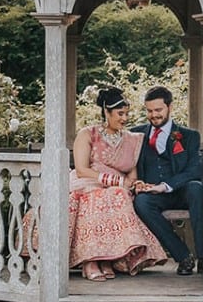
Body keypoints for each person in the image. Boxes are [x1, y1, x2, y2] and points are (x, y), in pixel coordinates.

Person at [67, 88, 170, 281]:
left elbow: (132, 174)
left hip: (118, 189)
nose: (125, 118)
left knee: (118, 194)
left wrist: (137, 184)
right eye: (120, 114)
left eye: (127, 114)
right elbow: (82, 170)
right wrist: (116, 181)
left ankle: (108, 258)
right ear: (106, 112)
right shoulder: (88, 134)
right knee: (100, 196)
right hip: (87, 183)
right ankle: (90, 260)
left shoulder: (131, 139)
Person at [132, 85, 203, 275]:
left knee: (197, 188)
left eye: (158, 110)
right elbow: (127, 165)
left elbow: (194, 170)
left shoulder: (189, 136)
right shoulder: (135, 134)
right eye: (149, 111)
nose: (153, 115)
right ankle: (183, 257)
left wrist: (165, 186)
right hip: (153, 195)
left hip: (181, 191)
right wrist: (137, 182)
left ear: (169, 107)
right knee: (141, 202)